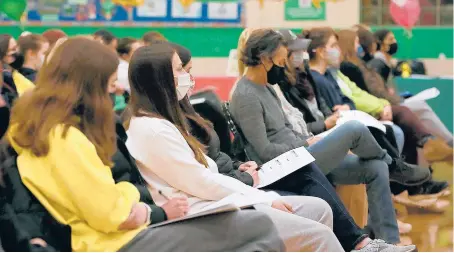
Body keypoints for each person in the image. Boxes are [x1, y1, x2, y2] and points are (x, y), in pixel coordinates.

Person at [6, 37, 287, 252]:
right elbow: (110, 212)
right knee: (257, 225)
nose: (115, 91)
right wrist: (139, 204)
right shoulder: (66, 137)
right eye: (110, 83)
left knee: (250, 224)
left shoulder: (44, 129)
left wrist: (131, 201)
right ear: (88, 86)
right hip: (112, 242)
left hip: (117, 232)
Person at [124, 43, 345, 252]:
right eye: (180, 69)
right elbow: (202, 182)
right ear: (160, 78)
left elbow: (208, 167)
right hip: (203, 212)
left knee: (319, 208)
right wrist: (263, 197)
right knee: (318, 235)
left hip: (219, 197)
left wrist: (244, 177)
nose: (187, 77)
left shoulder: (166, 120)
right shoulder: (153, 129)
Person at [230, 28, 416, 252]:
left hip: (300, 155)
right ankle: (393, 164)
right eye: (280, 61)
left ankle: (388, 242)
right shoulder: (246, 95)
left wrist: (310, 138)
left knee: (375, 167)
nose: (283, 66)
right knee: (353, 128)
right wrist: (305, 144)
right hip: (284, 166)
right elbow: (264, 151)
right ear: (264, 58)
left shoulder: (266, 87)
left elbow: (288, 129)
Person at [306, 27, 452, 164]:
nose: (359, 47)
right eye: (333, 46)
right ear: (320, 51)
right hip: (351, 118)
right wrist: (381, 106)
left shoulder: (332, 73)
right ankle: (429, 148)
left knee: (401, 125)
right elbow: (340, 105)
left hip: (360, 112)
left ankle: (427, 155)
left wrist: (381, 104)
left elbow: (352, 96)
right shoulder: (331, 73)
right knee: (400, 122)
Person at [372, 29, 453, 148]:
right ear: (380, 44)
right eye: (390, 40)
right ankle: (447, 141)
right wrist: (394, 99)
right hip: (386, 106)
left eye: (394, 39)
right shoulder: (378, 63)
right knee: (421, 108)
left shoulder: (386, 63)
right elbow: (378, 92)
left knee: (420, 108)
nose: (394, 42)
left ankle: (443, 142)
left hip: (392, 102)